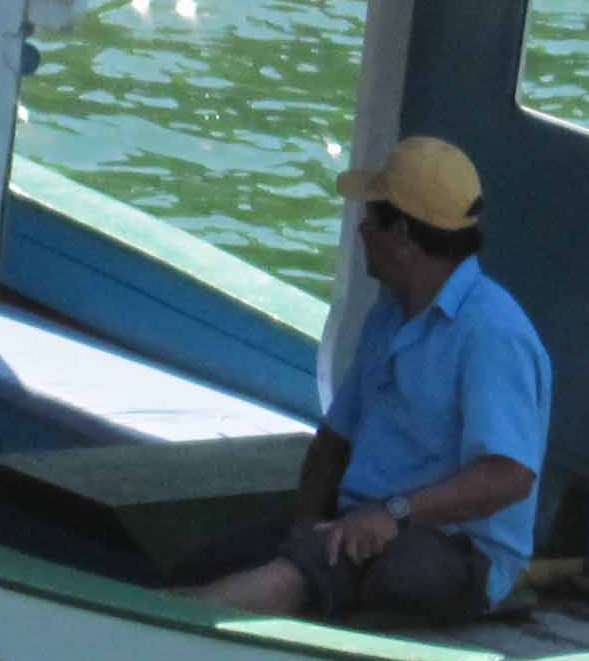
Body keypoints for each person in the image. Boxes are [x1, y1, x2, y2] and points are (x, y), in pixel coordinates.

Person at [191, 135, 552, 625]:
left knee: (340, 569)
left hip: (455, 548)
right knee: (216, 558)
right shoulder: (387, 315)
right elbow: (334, 442)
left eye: (372, 217)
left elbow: (510, 476)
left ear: (401, 234)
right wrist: (307, 521)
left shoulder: (493, 333)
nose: (361, 228)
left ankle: (153, 635)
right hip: (361, 519)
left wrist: (393, 513)